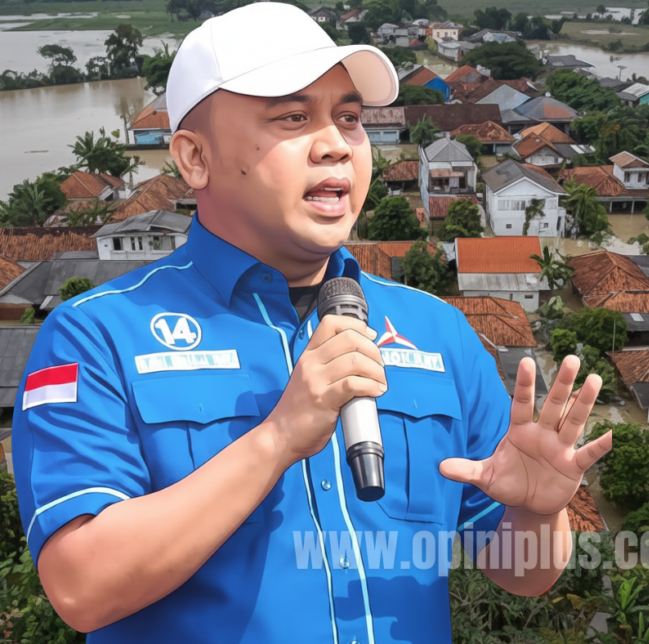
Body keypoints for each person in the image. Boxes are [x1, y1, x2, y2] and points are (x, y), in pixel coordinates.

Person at [11, 4, 612, 642]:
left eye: (349, 119)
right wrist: (276, 439)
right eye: (294, 118)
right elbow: (81, 587)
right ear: (194, 158)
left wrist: (537, 513)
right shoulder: (97, 335)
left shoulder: (438, 332)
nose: (335, 145)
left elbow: (521, 572)